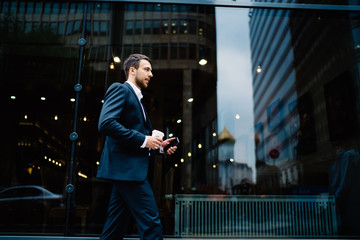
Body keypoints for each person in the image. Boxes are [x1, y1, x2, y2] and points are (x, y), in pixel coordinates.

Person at [97, 54, 177, 240]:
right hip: (129, 172)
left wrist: (158, 146)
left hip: (127, 172)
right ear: (132, 70)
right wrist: (144, 140)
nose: (151, 74)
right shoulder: (121, 89)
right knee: (152, 225)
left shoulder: (139, 100)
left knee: (113, 230)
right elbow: (106, 123)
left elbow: (137, 138)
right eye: (147, 69)